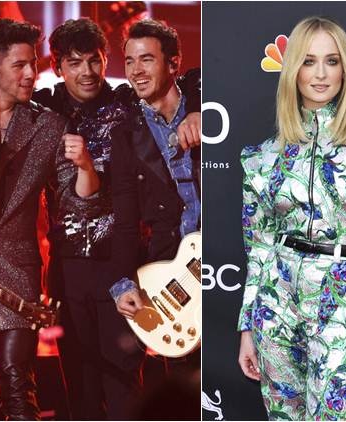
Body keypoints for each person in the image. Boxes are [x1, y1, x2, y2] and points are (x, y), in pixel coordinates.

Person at [0, 16, 200, 420]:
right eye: (73, 62)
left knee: (121, 379)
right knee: (76, 383)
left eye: (95, 61)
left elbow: (182, 82)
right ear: (60, 67)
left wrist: (196, 102)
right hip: (66, 264)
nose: (86, 72)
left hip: (121, 258)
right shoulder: (49, 107)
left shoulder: (123, 104)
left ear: (105, 61)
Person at [236, 16, 346, 420]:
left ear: (345, 69)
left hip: (340, 300)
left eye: (332, 61)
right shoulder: (265, 155)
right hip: (274, 304)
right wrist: (247, 325)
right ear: (292, 69)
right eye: (308, 61)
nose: (320, 74)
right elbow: (259, 246)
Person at [0, 18, 100, 421]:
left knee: (18, 391)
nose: (32, 73)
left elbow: (76, 201)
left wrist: (85, 167)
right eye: (20, 65)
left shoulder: (48, 125)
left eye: (33, 63)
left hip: (15, 271)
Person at [107, 19, 201, 420]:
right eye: (129, 61)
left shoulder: (209, 104)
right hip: (173, 268)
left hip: (231, 261)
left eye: (147, 59)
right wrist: (122, 284)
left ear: (174, 63)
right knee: (183, 388)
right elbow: (124, 219)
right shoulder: (125, 134)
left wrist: (202, 110)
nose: (136, 71)